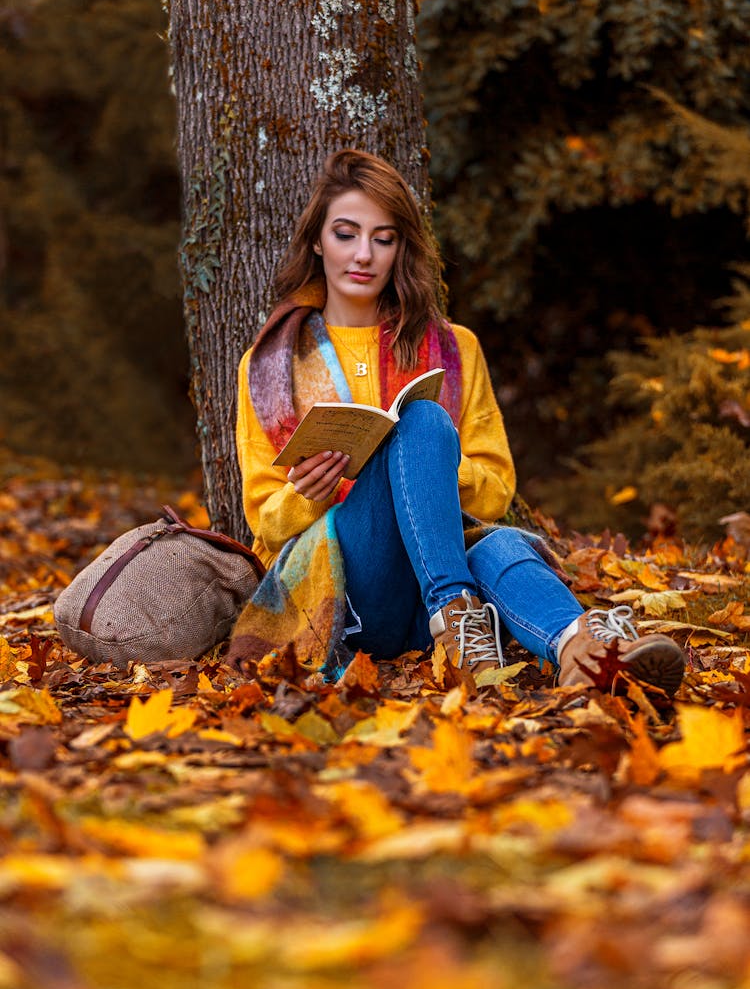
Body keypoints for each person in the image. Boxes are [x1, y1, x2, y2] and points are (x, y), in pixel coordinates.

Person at [230, 149, 685, 696]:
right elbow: (263, 522)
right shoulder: (269, 365)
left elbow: (494, 492)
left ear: (402, 248)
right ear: (316, 242)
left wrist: (427, 466)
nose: (363, 254)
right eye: (346, 234)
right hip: (349, 599)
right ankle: (460, 611)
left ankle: (586, 653)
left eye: (384, 237)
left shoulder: (455, 348)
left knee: (479, 518)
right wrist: (309, 494)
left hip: (449, 602)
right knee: (421, 420)